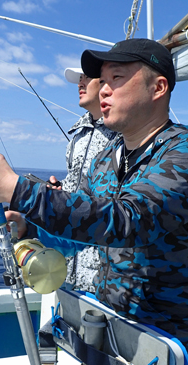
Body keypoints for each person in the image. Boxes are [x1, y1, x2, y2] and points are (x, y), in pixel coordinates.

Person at [0, 38, 188, 363]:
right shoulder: (106, 159)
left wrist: (15, 189)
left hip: (182, 349)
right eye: (101, 81)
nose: (103, 90)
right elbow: (82, 233)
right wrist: (27, 229)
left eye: (116, 79)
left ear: (158, 87)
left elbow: (129, 221)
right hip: (115, 335)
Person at [52, 68, 117, 292]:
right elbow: (75, 187)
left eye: (86, 77)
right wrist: (57, 191)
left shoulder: (124, 134)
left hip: (103, 278)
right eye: (79, 79)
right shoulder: (78, 135)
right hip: (69, 269)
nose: (80, 84)